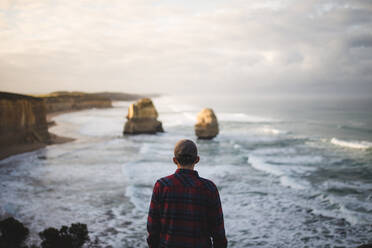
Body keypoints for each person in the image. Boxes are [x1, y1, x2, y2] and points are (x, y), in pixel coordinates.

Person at [147, 139, 227, 248]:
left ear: (175, 160)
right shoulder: (209, 188)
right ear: (197, 160)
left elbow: (153, 228)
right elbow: (218, 233)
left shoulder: (162, 186)